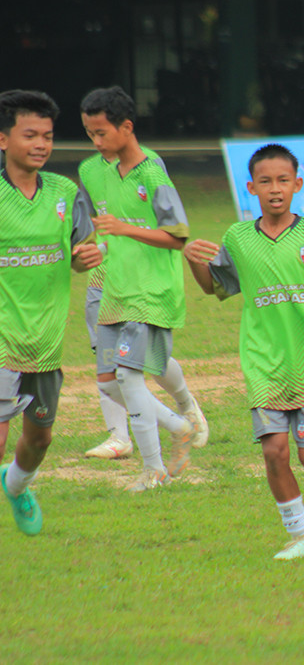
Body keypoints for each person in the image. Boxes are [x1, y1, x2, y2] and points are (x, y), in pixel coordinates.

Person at [183, 143, 304, 560]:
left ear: (297, 184)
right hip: (263, 363)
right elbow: (215, 286)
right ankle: (301, 535)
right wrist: (194, 260)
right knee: (273, 451)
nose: (275, 189)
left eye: (283, 180)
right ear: (250, 187)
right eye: (265, 181)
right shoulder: (237, 237)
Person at [81, 86, 206, 492]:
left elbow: (178, 236)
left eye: (101, 133)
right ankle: (177, 425)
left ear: (126, 127)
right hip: (114, 288)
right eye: (89, 134)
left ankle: (153, 470)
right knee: (107, 382)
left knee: (129, 377)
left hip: (150, 291)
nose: (95, 142)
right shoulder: (96, 171)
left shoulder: (152, 172)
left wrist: (124, 228)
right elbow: (96, 229)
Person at [0, 89, 103, 535]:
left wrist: (84, 259)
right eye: (30, 135)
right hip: (2, 337)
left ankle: (17, 485)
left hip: (44, 343)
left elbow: (80, 251)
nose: (41, 144)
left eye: (47, 135)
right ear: (3, 140)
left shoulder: (65, 192)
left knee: (39, 439)